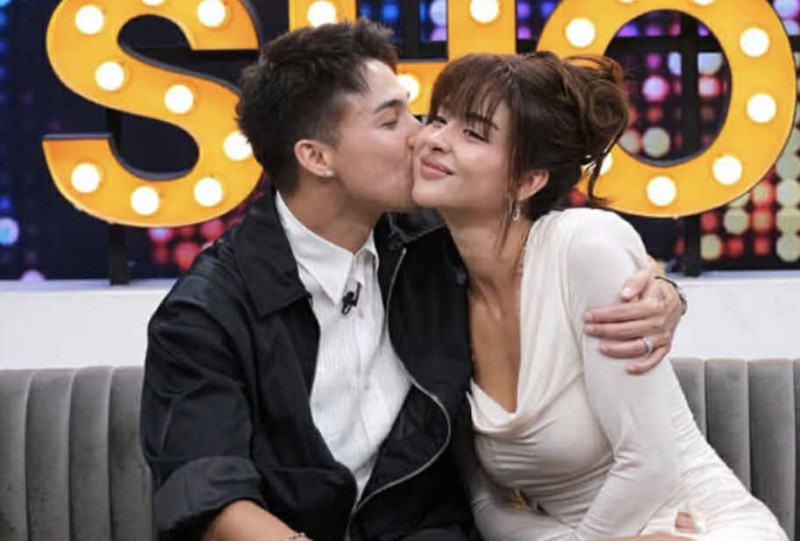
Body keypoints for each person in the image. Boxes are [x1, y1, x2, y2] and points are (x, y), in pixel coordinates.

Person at [140, 21, 685, 541]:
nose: (421, 136)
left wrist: (662, 295)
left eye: (415, 112)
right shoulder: (205, 313)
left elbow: (558, 248)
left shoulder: (434, 240)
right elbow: (210, 497)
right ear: (316, 157)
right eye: (391, 121)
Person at [411, 50, 788, 541]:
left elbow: (651, 466)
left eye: (473, 133)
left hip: (698, 525)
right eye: (437, 119)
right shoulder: (434, 289)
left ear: (527, 181)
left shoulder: (583, 246)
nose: (435, 139)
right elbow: (486, 502)